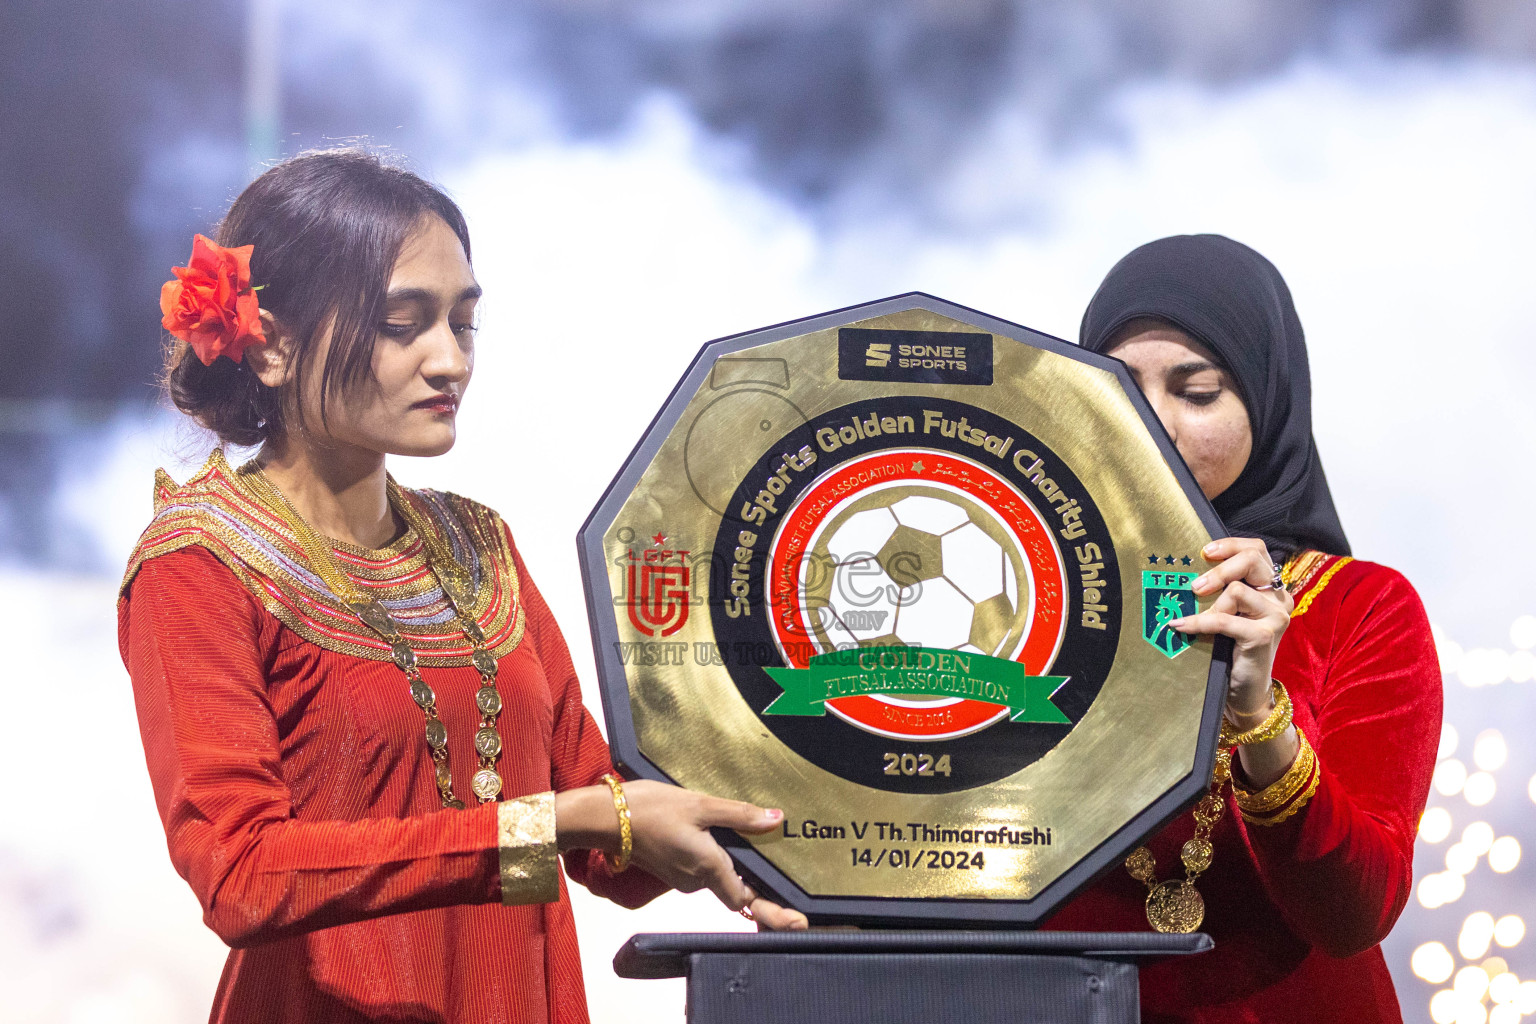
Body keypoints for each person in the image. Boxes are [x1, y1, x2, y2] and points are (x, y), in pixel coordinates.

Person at [118, 148, 805, 1024]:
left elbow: (604, 826)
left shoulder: (478, 545)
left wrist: (793, 812)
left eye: (465, 323)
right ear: (276, 345)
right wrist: (557, 823)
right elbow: (245, 878)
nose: (451, 361)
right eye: (405, 324)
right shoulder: (199, 564)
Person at [1041, 234, 1442, 1024]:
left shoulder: (1358, 607)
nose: (1152, 424)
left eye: (1196, 393)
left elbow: (1354, 915)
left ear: (1266, 401)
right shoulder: (1023, 593)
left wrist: (1259, 717)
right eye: (1120, 391)